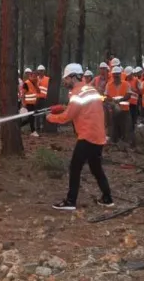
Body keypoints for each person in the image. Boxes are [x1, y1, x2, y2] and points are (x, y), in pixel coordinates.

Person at [45, 63, 113, 210]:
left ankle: (70, 201)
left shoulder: (77, 93)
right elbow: (83, 109)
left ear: (73, 77)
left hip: (87, 136)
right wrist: (63, 107)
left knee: (75, 167)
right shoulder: (90, 89)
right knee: (96, 168)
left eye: (66, 78)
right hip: (99, 135)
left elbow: (67, 117)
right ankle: (107, 198)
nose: (65, 82)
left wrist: (51, 118)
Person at [106, 65, 133, 145]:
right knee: (114, 128)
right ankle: (115, 143)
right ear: (112, 75)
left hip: (124, 110)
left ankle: (126, 143)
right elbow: (106, 96)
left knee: (125, 128)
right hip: (114, 110)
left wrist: (121, 100)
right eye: (114, 74)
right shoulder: (108, 85)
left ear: (120, 74)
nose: (116, 75)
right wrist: (111, 101)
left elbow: (128, 95)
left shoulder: (126, 84)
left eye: (117, 74)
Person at [22, 68, 39, 136]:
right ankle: (33, 131)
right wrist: (23, 104)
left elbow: (38, 92)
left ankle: (18, 125)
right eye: (33, 76)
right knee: (31, 117)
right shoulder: (26, 83)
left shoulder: (35, 83)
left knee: (31, 118)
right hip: (28, 104)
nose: (35, 77)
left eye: (36, 76)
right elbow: (23, 94)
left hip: (33, 104)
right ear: (30, 76)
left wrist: (36, 85)